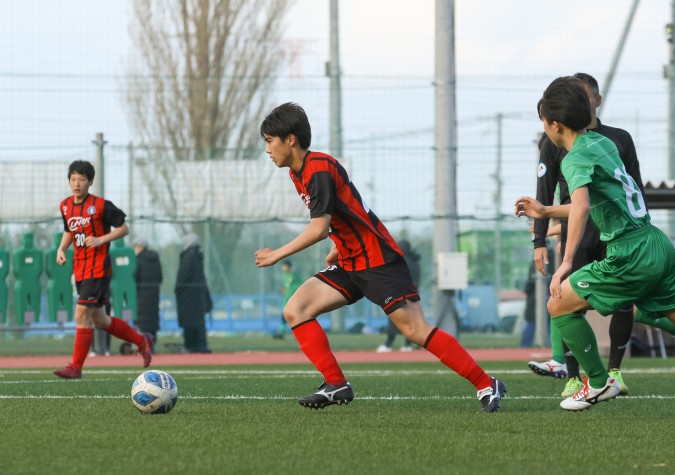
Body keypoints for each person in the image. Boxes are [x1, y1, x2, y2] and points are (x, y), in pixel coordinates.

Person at [255, 102, 506, 412]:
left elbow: (318, 228)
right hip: (350, 261)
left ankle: (486, 383)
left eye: (270, 141)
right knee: (297, 309)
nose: (267, 149)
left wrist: (277, 255)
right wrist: (340, 242)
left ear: (290, 139)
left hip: (378, 260)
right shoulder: (300, 173)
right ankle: (336, 384)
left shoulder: (317, 168)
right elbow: (346, 211)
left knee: (415, 330)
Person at [515, 76, 675, 411]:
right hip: (655, 243)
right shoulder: (601, 143)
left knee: (558, 305)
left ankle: (599, 383)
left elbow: (584, 206)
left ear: (554, 125)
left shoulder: (572, 159)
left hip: (628, 253)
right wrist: (545, 211)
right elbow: (594, 201)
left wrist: (567, 262)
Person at [53, 160, 153, 379]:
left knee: (81, 314)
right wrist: (61, 249)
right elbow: (69, 230)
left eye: (81, 179)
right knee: (100, 320)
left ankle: (76, 368)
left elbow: (124, 228)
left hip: (97, 269)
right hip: (79, 270)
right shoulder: (65, 206)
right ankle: (141, 340)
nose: (76, 183)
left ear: (90, 182)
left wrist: (101, 240)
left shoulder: (101, 205)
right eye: (73, 179)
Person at [376, 239, 419, 352]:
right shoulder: (415, 261)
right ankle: (408, 345)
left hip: (400, 294)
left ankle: (388, 345)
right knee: (410, 321)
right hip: (413, 295)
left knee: (395, 319)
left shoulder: (402, 261)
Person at [175, 233, 212, 353]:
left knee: (189, 322)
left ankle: (190, 346)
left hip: (187, 297)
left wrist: (178, 288)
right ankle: (201, 346)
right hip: (198, 297)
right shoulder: (198, 256)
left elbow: (183, 276)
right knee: (198, 322)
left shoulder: (188, 256)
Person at [134, 239, 163, 350]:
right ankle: (152, 343)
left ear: (140, 247)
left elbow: (135, 277)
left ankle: (144, 345)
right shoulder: (156, 259)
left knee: (142, 320)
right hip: (154, 294)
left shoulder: (138, 260)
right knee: (153, 320)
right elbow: (160, 277)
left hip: (141, 294)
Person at [273, 260, 303, 339]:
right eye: (282, 266)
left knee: (287, 317)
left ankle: (281, 333)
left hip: (292, 300)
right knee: (286, 317)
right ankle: (281, 333)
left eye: (284, 266)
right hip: (286, 300)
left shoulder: (293, 276)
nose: (283, 267)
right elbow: (286, 287)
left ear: (289, 267)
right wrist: (284, 290)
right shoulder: (284, 276)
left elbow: (301, 284)